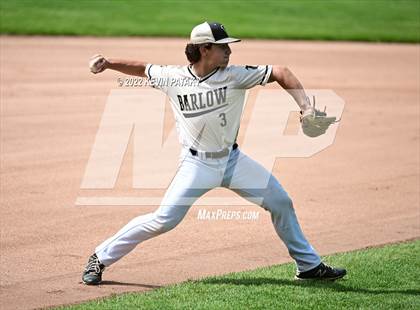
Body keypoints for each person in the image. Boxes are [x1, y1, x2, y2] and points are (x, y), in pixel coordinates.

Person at [83, 21, 346, 285]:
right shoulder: (173, 77)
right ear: (205, 49)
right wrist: (108, 63)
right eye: (223, 47)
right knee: (163, 220)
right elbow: (142, 68)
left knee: (280, 202)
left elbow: (281, 71)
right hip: (195, 165)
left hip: (233, 161)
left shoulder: (235, 75)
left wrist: (306, 108)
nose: (229, 51)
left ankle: (308, 266)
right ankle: (100, 257)